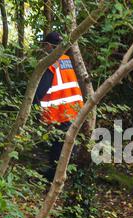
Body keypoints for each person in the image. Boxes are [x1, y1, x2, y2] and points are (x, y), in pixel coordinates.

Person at [33, 31, 84, 181]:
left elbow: (40, 91)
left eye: (44, 45)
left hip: (60, 111)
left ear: (48, 45)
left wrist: (34, 107)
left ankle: (52, 177)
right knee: (64, 144)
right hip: (74, 109)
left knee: (58, 145)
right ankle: (56, 174)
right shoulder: (66, 59)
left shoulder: (51, 63)